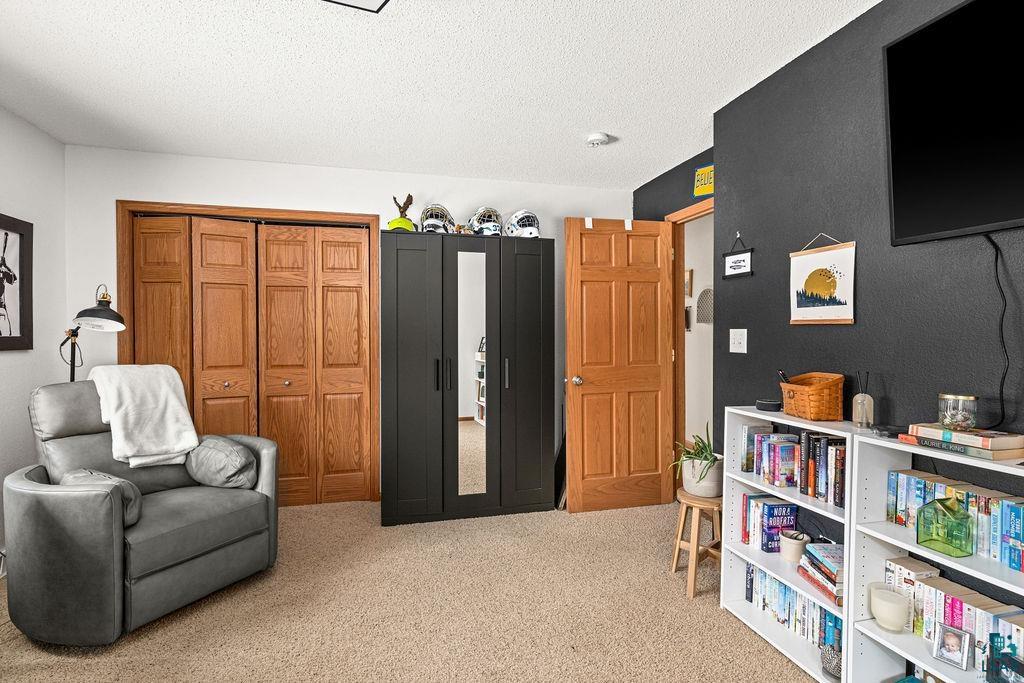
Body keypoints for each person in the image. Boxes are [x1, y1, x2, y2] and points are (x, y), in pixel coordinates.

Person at [0, 233, 17, 337]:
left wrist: (6, 266)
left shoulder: (2, 271)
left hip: (1, 306)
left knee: (6, 335)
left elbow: (14, 280)